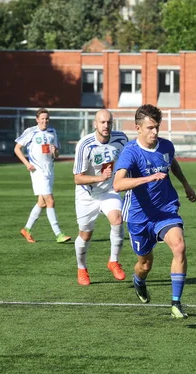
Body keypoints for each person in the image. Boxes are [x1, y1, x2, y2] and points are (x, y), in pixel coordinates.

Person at [113, 104, 196, 319]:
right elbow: (118, 184)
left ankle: (176, 303)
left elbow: (172, 164)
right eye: (150, 128)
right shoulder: (130, 152)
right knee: (145, 263)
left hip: (165, 210)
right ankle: (139, 280)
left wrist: (186, 185)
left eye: (157, 127)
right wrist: (147, 178)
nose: (155, 132)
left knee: (179, 246)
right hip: (139, 216)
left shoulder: (166, 146)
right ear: (138, 128)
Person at [72, 109, 128, 286]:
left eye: (109, 122)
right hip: (87, 194)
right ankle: (82, 268)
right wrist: (99, 177)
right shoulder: (85, 144)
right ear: (94, 124)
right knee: (85, 235)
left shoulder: (121, 139)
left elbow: (128, 161)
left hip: (109, 191)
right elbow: (77, 178)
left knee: (117, 220)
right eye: (102, 122)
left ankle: (113, 261)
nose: (106, 126)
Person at [14, 108, 71, 244]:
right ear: (37, 119)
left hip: (49, 170)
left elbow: (56, 155)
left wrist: (55, 151)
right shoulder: (31, 131)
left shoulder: (52, 132)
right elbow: (17, 148)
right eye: (42, 119)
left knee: (42, 202)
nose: (45, 121)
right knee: (50, 201)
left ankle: (27, 229)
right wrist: (27, 164)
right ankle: (58, 234)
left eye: (47, 119)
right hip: (37, 171)